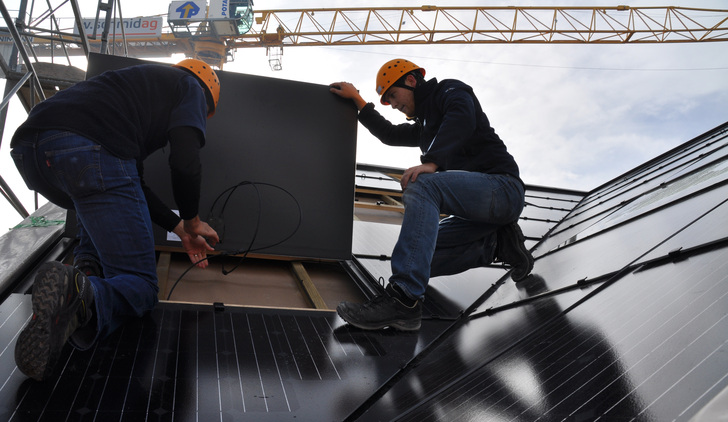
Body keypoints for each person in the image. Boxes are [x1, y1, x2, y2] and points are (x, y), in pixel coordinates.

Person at [10, 58, 221, 381]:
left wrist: (178, 229)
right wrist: (192, 220)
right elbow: (185, 160)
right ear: (206, 100)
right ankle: (78, 294)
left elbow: (129, 186)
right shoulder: (190, 85)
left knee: (94, 197)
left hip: (33, 154)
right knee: (142, 286)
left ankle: (84, 275)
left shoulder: (126, 93)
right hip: (89, 150)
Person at [330, 58, 534, 331]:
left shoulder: (450, 92)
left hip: (503, 189)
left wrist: (432, 161)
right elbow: (389, 134)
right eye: (388, 100)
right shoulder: (425, 128)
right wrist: (357, 100)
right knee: (418, 257)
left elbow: (461, 118)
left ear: (411, 81)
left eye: (393, 95)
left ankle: (404, 301)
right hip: (480, 215)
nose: (393, 104)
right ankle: (499, 244)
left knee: (422, 182)